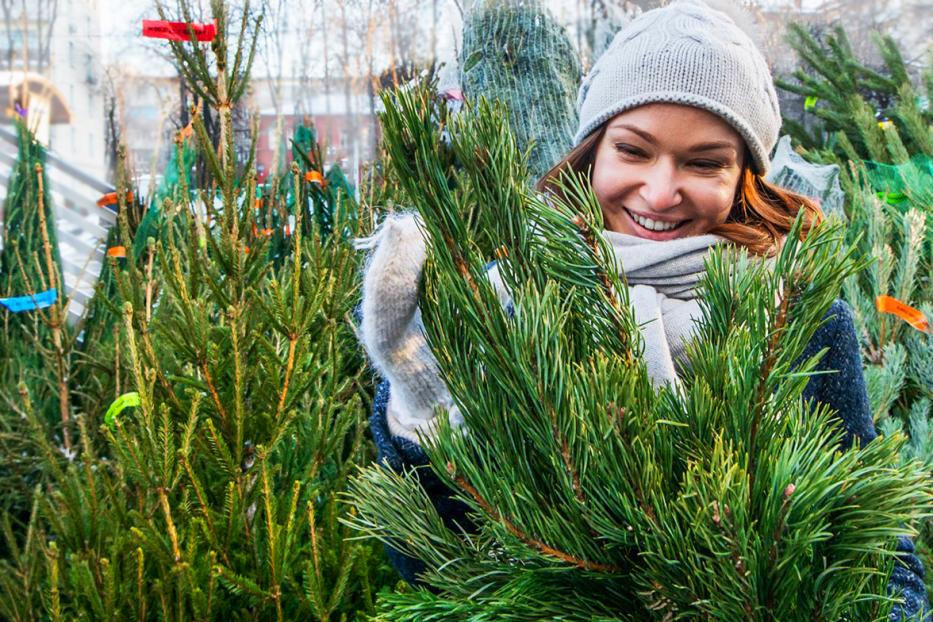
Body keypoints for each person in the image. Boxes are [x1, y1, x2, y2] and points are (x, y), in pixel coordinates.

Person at [358, 1, 930, 619]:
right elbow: (430, 568)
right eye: (633, 150)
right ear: (592, 153)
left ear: (746, 178)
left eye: (705, 161)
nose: (660, 192)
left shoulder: (797, 312)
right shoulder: (508, 305)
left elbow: (877, 552)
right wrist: (425, 416)